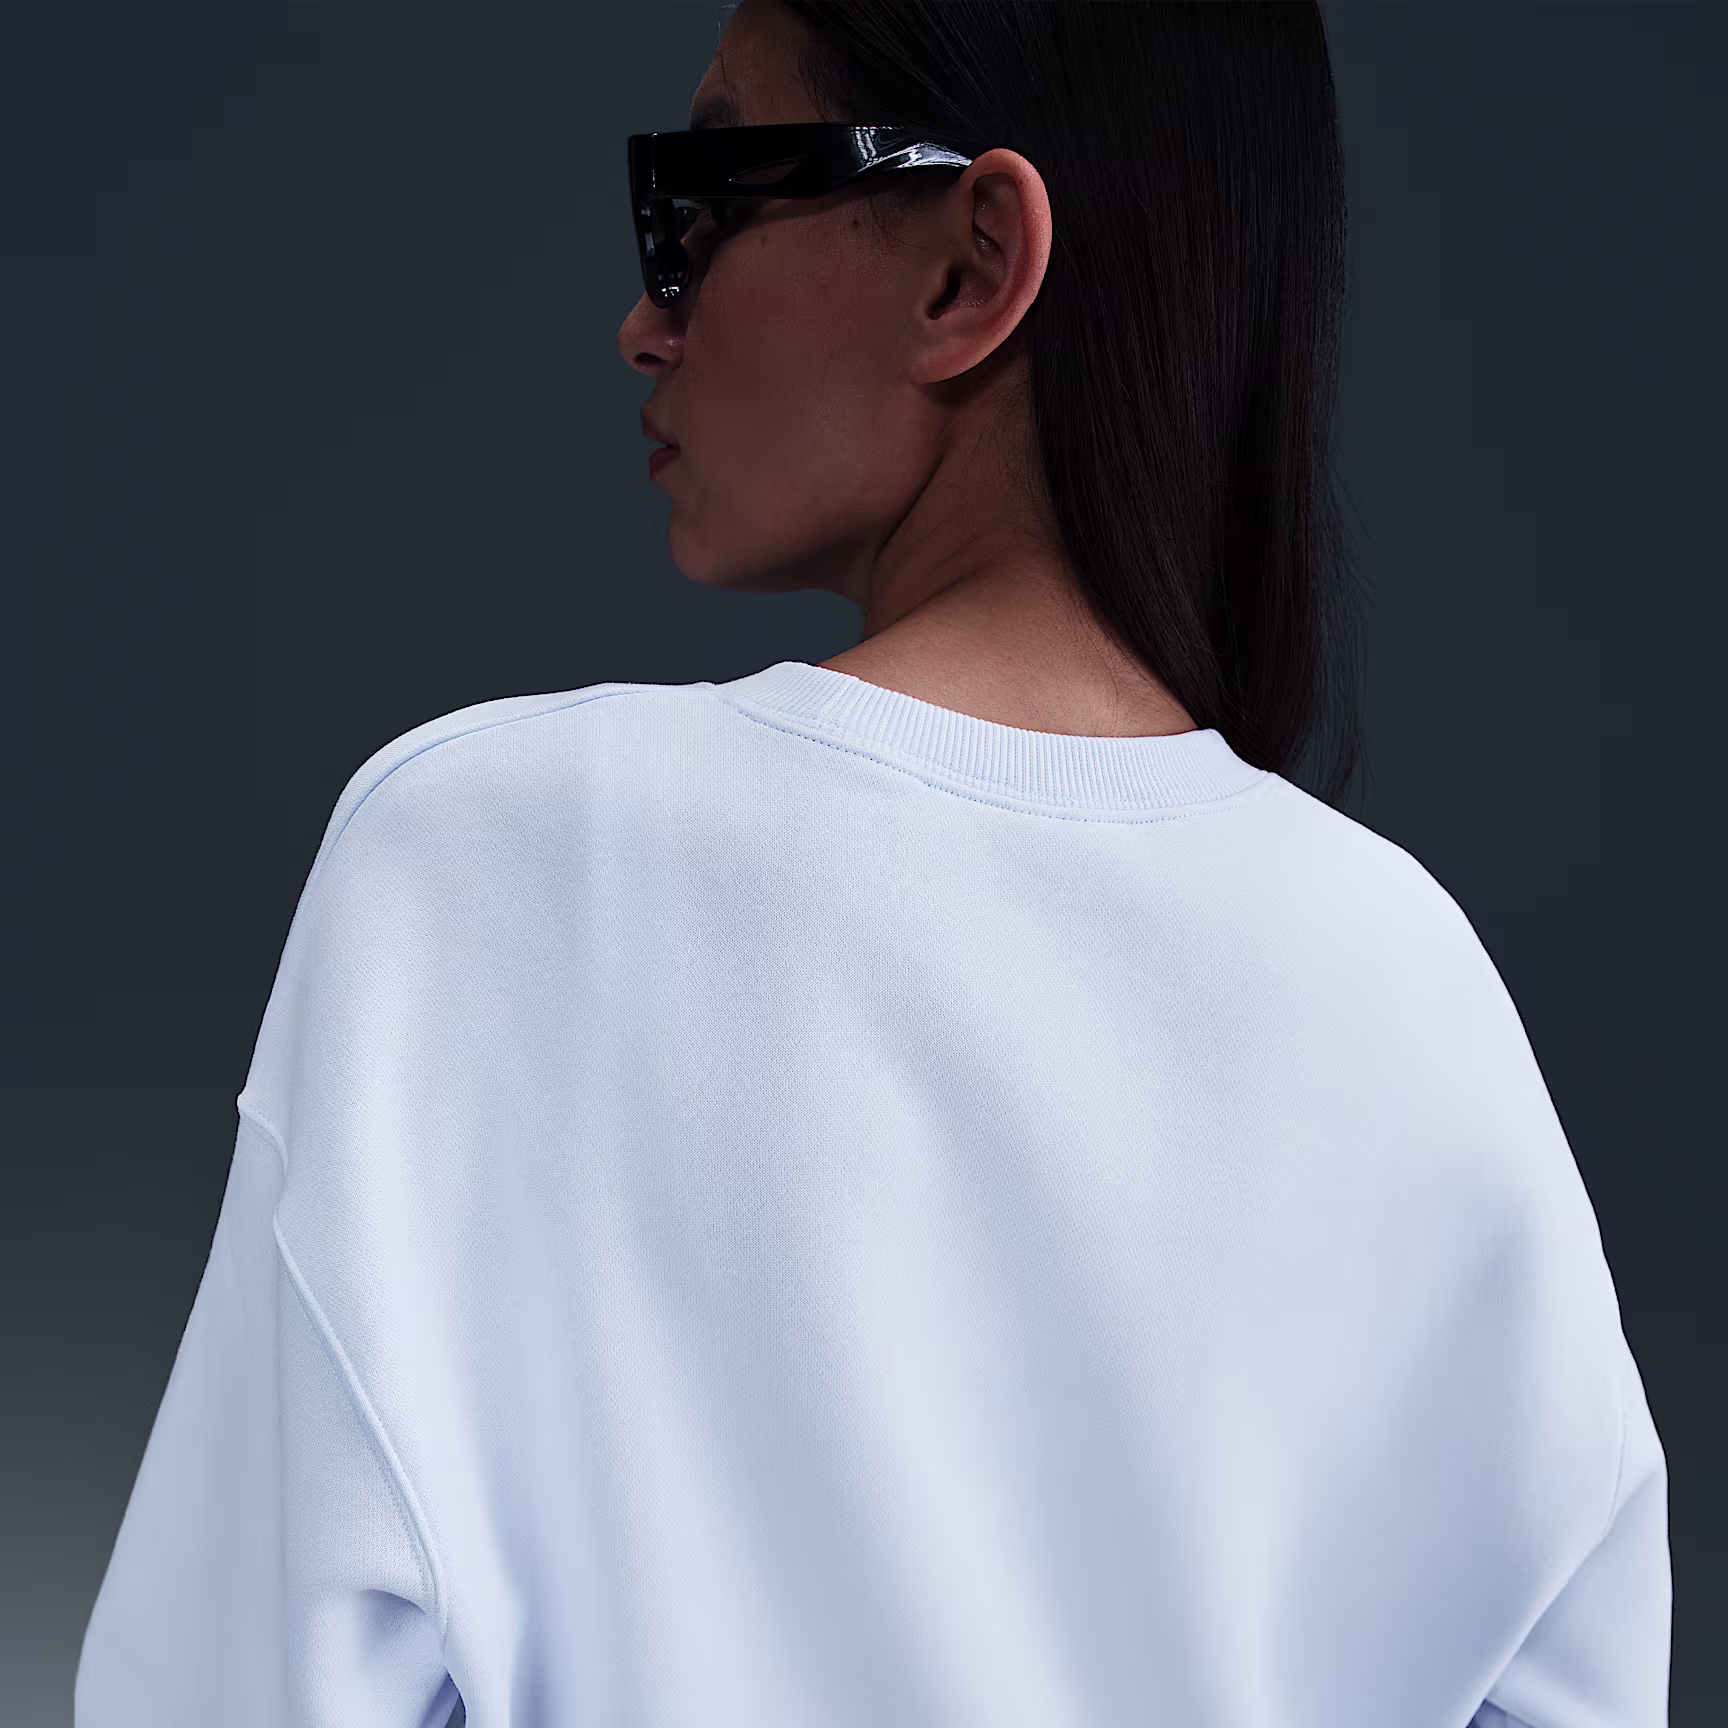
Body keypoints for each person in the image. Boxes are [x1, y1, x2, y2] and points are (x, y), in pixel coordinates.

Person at [77, 2, 1670, 1724]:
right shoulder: (1409, 984)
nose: (642, 321)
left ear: (971, 266)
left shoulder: (489, 869)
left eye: (700, 203)